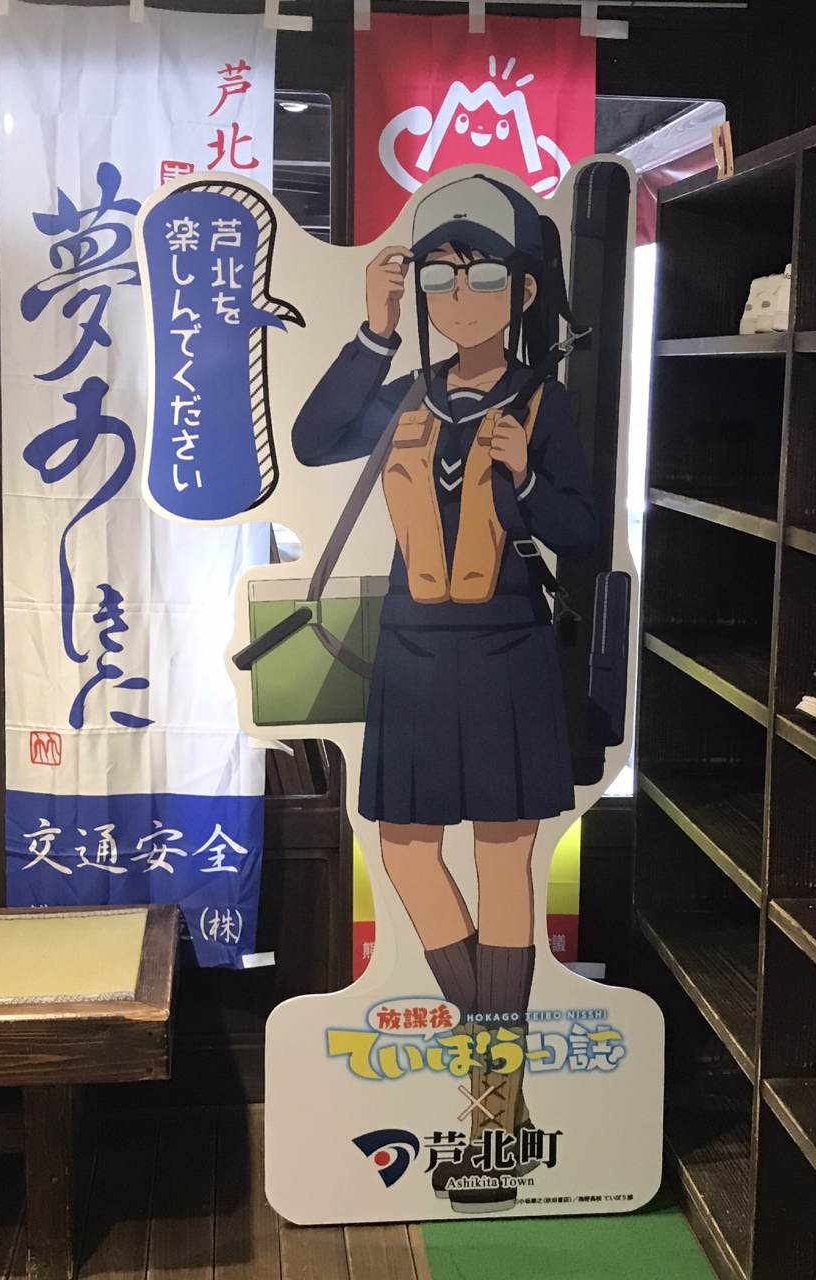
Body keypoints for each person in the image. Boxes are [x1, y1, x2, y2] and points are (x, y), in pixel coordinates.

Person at [293, 174, 597, 1212]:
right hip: (414, 646)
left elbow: (585, 531)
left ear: (523, 292)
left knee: (505, 857)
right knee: (406, 850)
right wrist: (371, 334)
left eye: (482, 278)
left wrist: (531, 478)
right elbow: (315, 439)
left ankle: (493, 1116)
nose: (459, 299)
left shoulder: (546, 399)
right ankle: (492, 1054)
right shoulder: (405, 393)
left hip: (509, 645)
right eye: (439, 279)